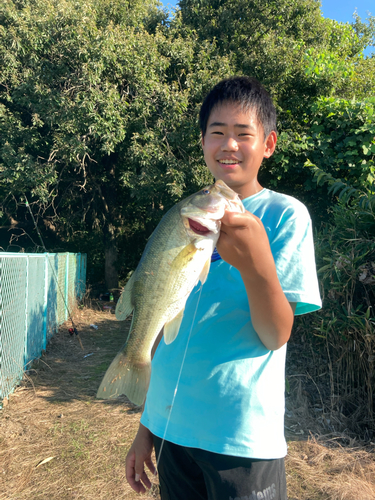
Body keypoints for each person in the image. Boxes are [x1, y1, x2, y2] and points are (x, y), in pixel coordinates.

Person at [125, 76, 322, 500]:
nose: (228, 144)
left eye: (242, 134)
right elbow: (163, 325)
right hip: (170, 430)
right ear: (202, 143)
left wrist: (256, 263)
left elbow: (276, 334)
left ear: (268, 144)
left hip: (241, 437)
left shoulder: (286, 216)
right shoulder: (185, 219)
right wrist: (147, 427)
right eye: (217, 133)